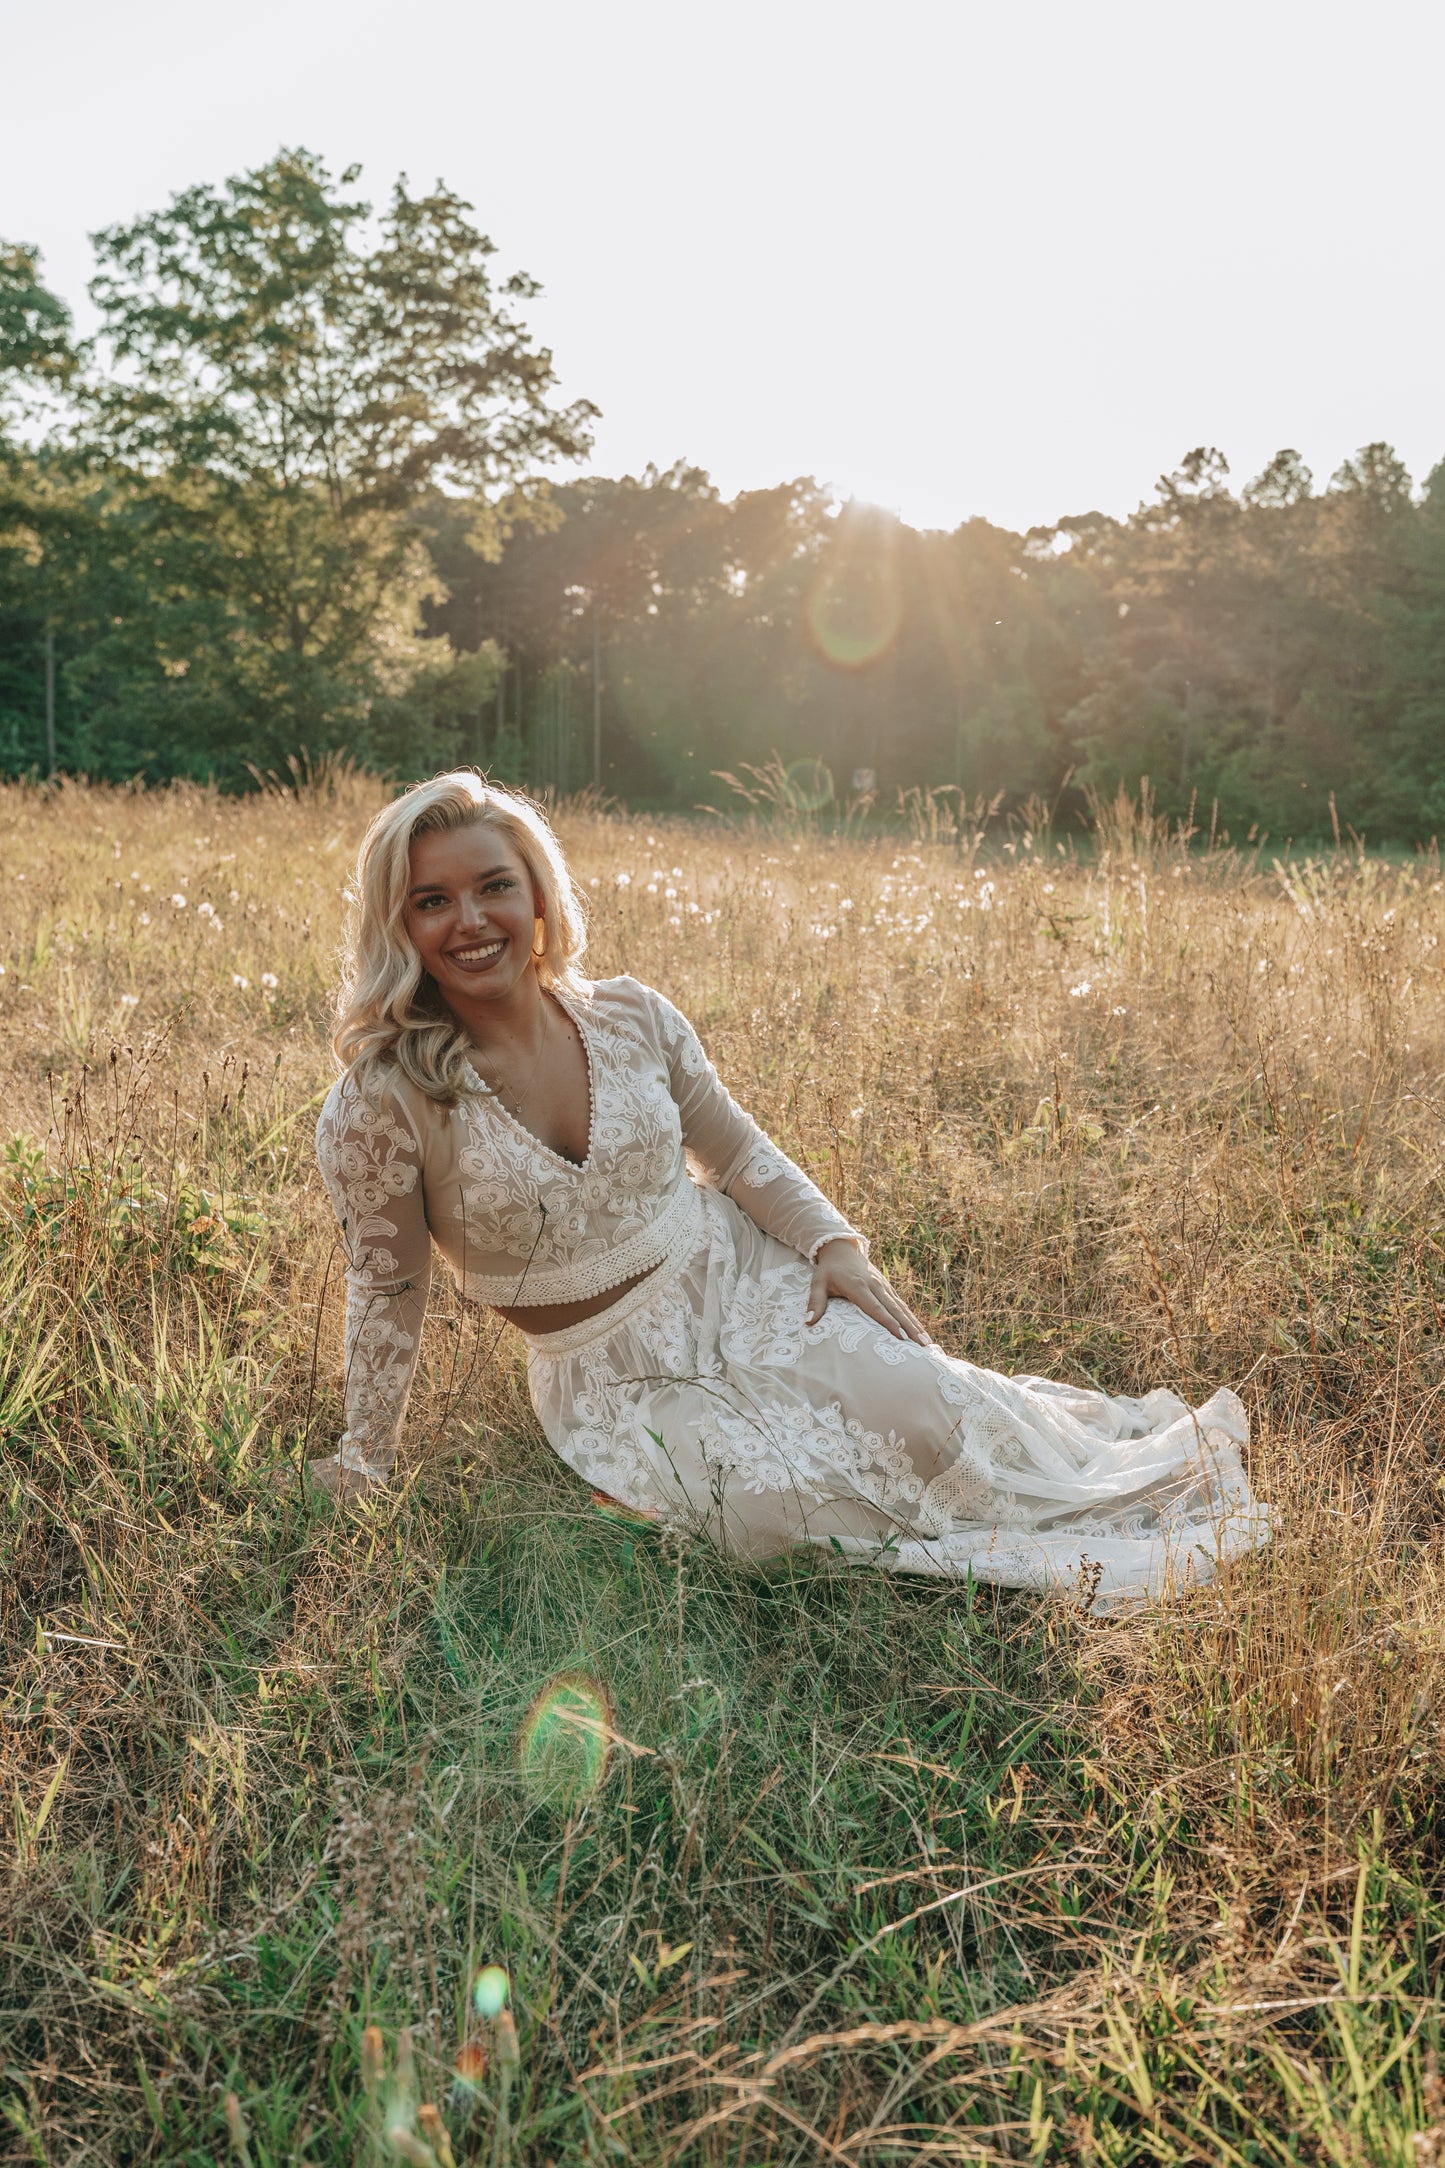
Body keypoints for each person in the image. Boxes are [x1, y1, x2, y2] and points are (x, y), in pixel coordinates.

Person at [313, 772, 1268, 1604]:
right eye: (432, 901)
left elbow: (734, 1150)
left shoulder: (630, 1015)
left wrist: (829, 1244)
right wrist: (368, 1456)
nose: (472, 921)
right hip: (611, 1373)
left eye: (494, 887)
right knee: (772, 1517)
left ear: (540, 899)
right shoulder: (386, 1100)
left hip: (741, 1280)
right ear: (398, 925)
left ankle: (1109, 1473)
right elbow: (390, 1290)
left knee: (929, 1423)